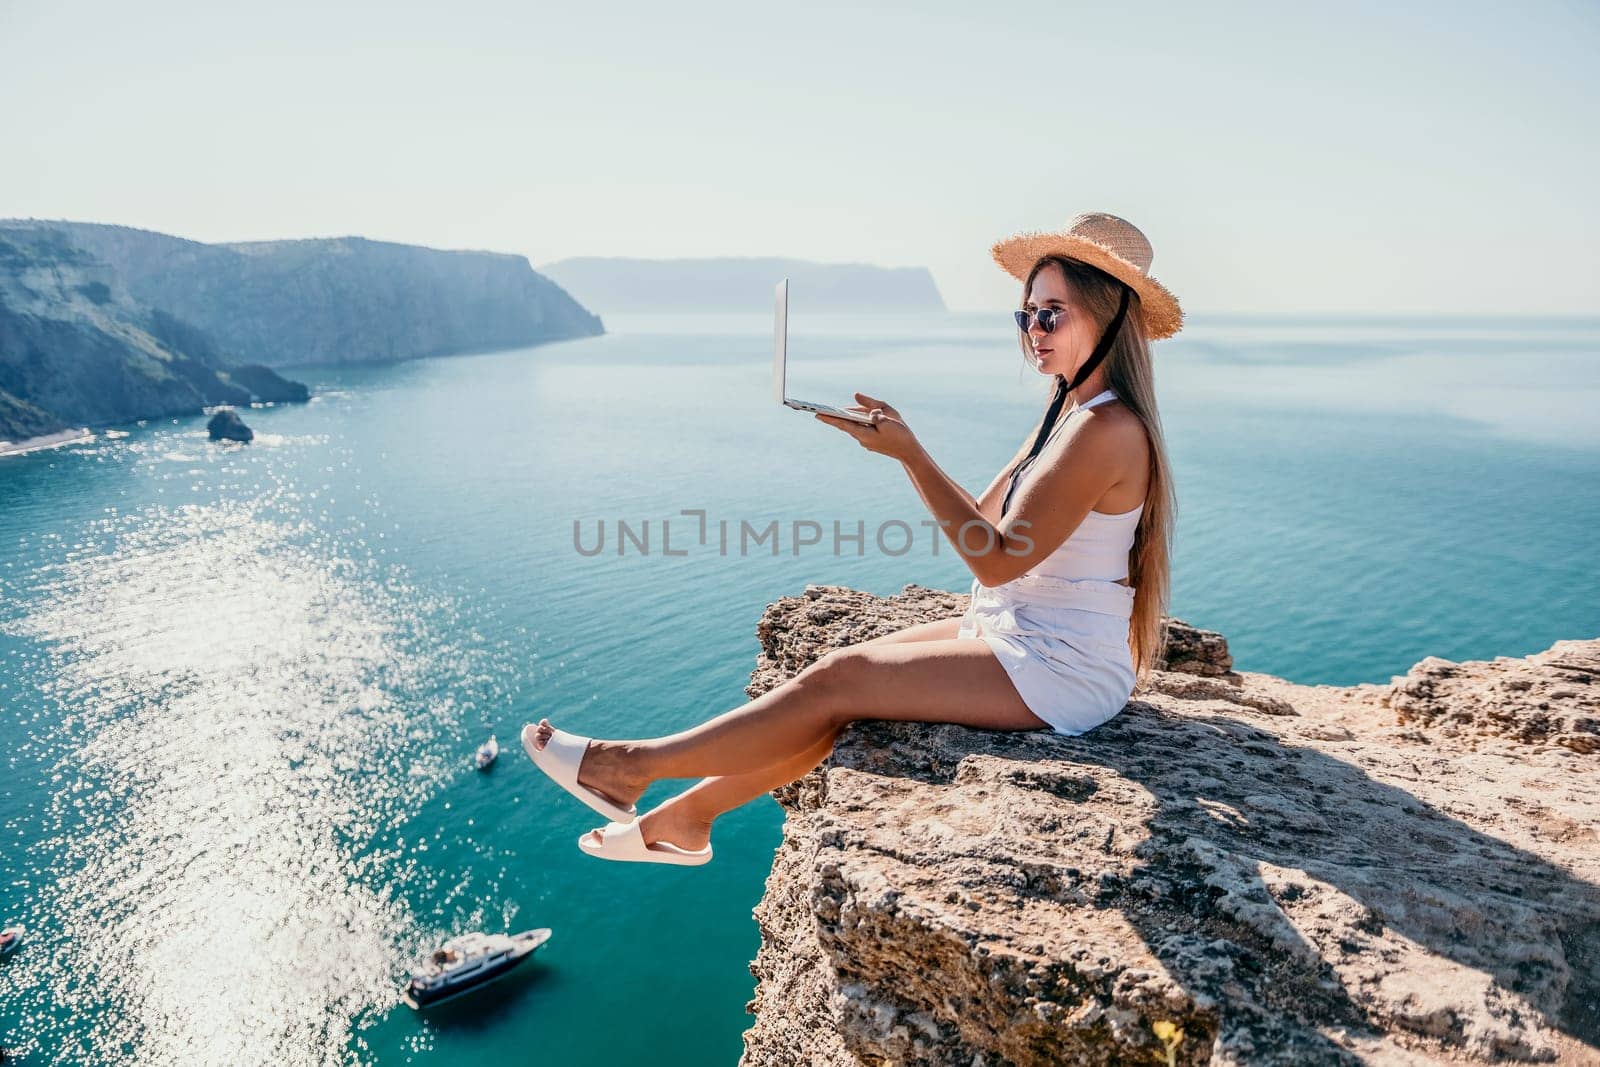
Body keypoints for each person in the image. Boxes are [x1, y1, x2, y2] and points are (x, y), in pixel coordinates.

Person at [524, 212, 1182, 866]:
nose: (1032, 331)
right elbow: (987, 521)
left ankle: (628, 768)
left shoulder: (1105, 430)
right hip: (1023, 628)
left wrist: (911, 455)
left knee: (842, 679)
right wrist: (901, 443)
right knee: (834, 685)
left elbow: (995, 559)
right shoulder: (1067, 411)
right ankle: (687, 818)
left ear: (1107, 317)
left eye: (1051, 314)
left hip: (1062, 667)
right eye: (1025, 315)